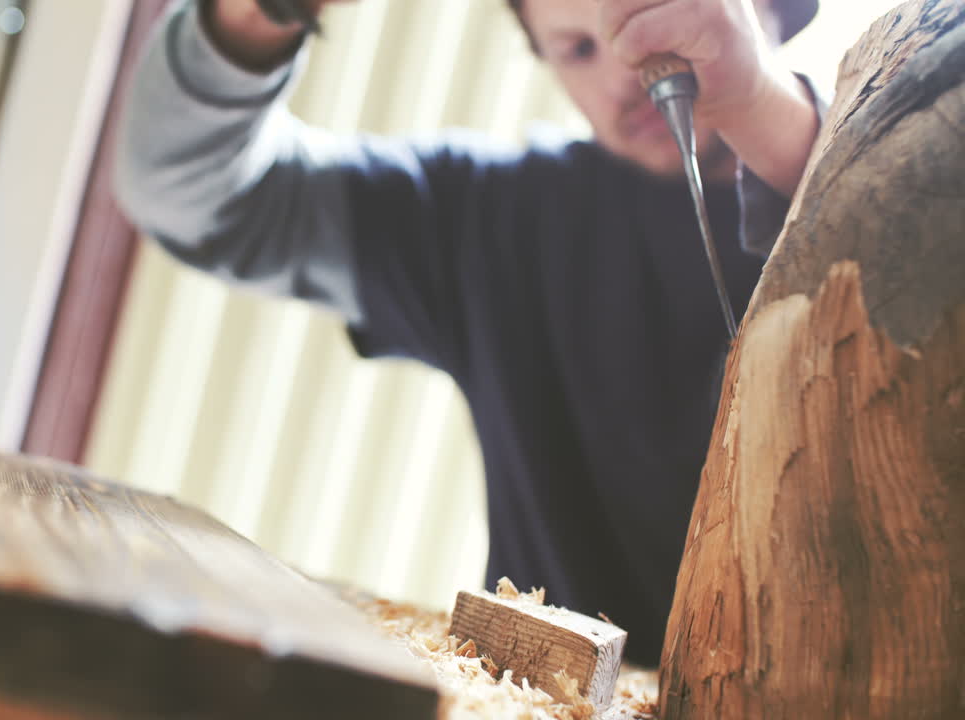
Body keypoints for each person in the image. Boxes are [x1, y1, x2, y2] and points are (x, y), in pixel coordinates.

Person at [113, 0, 824, 665]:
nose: (622, 80)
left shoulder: (909, 154)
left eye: (648, 19)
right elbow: (198, 195)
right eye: (575, 49)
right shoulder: (498, 221)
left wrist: (763, 106)